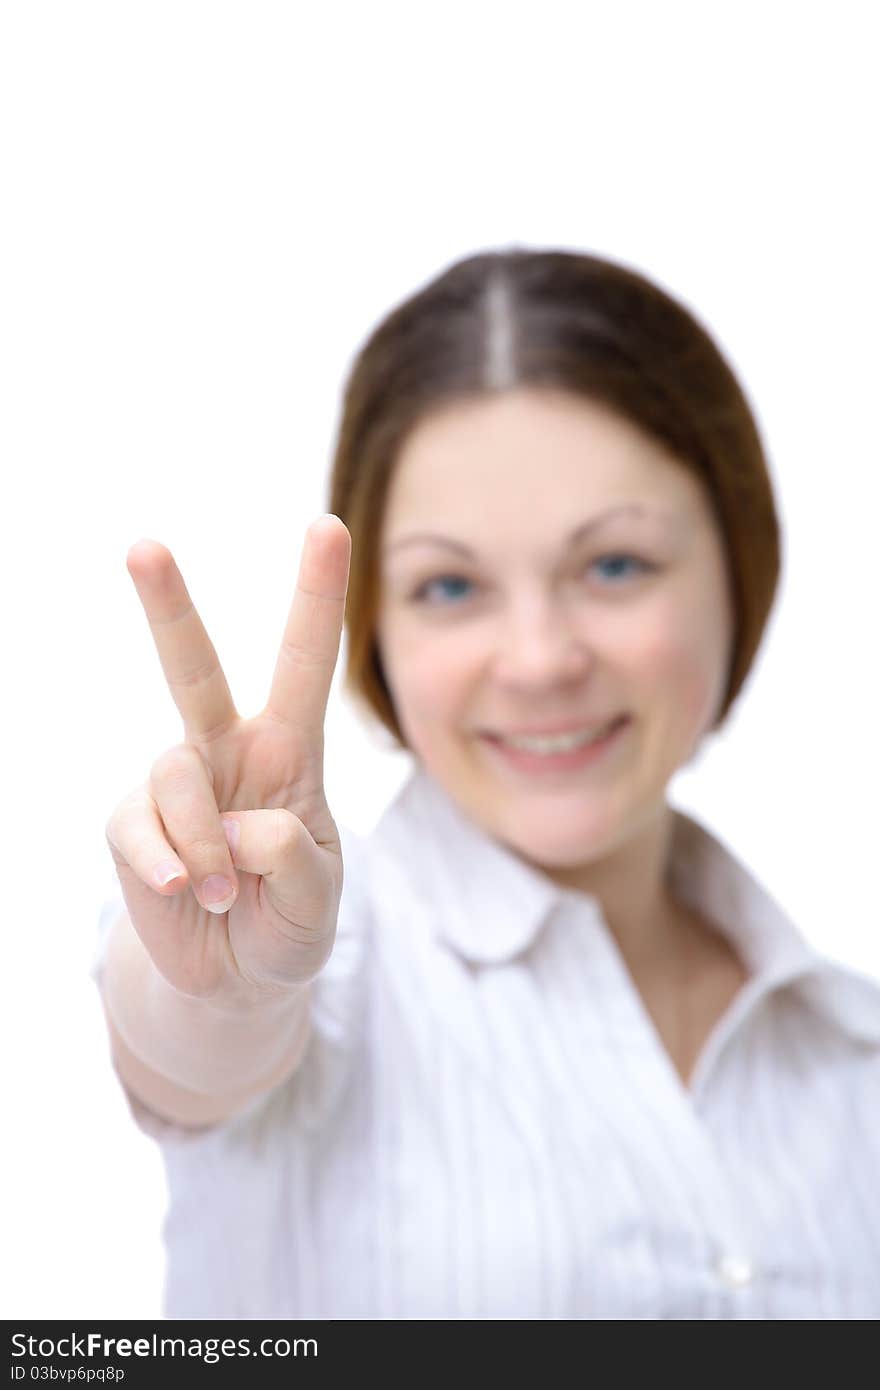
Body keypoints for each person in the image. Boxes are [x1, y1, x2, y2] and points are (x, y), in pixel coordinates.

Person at [93, 246, 880, 1320]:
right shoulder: (319, 961)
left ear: (738, 571)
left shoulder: (849, 1052)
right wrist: (222, 987)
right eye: (450, 584)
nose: (539, 658)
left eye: (614, 564)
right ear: (378, 622)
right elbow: (194, 1049)